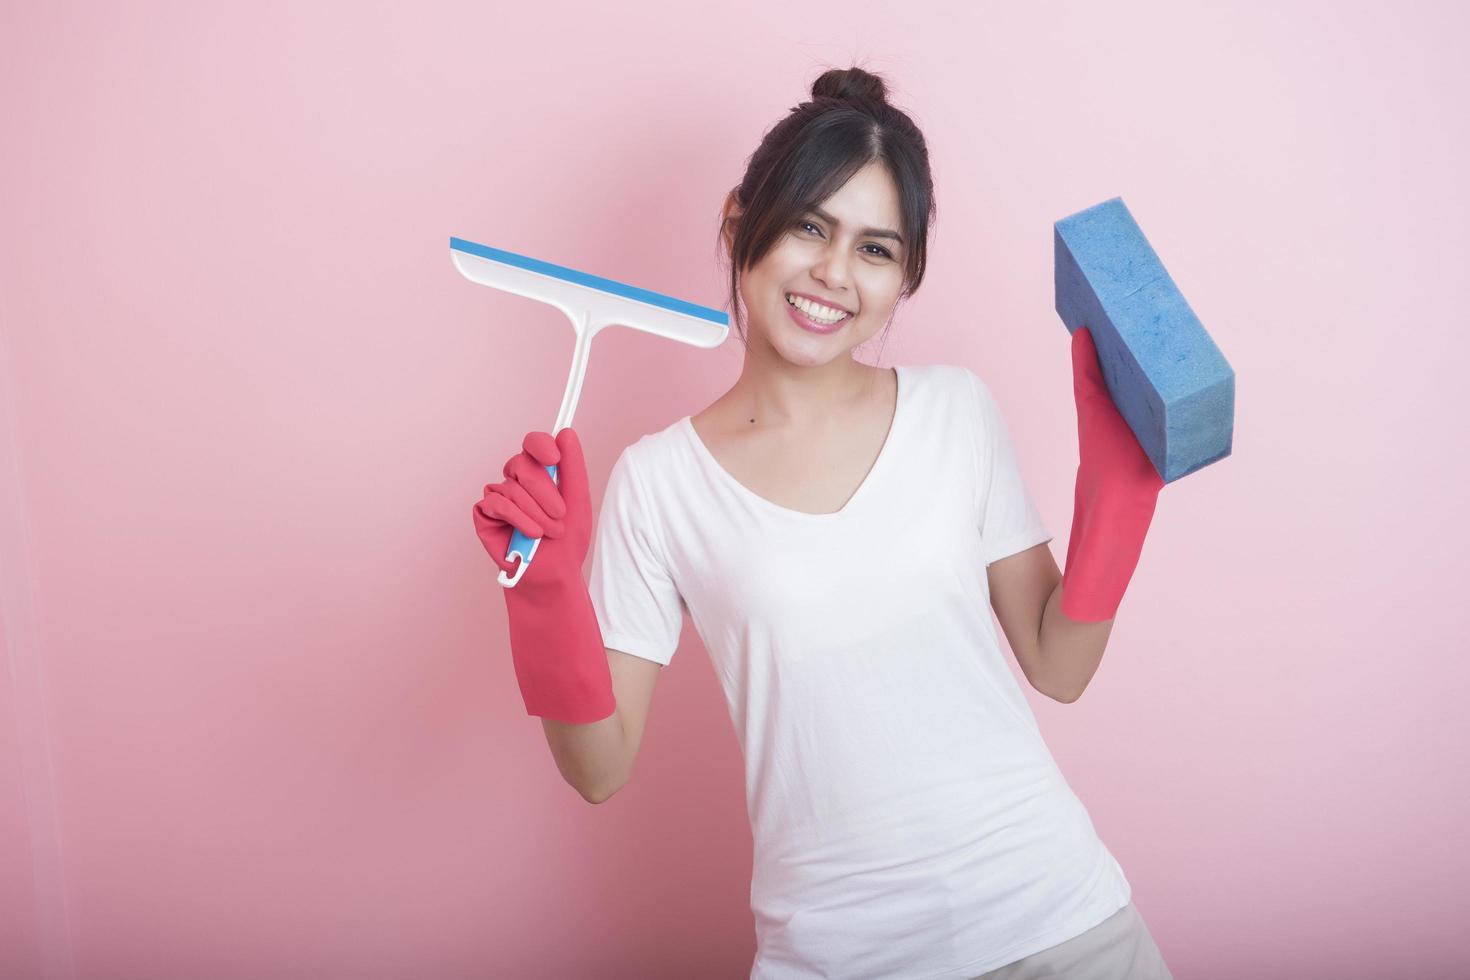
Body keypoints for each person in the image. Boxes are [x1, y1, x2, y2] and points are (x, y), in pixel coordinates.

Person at [474, 66, 1171, 980]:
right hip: (839, 958)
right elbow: (598, 769)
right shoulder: (659, 482)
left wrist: (1119, 498)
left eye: (877, 250)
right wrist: (544, 601)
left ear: (904, 278)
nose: (835, 274)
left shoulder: (955, 412)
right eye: (811, 226)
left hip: (1061, 926)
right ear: (739, 224)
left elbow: (1059, 663)